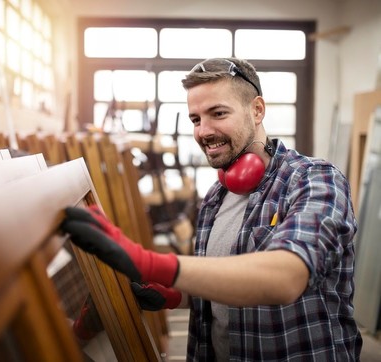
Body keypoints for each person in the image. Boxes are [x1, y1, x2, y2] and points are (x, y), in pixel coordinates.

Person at [61, 57, 363, 361]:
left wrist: (150, 263)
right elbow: (226, 289)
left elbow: (287, 277)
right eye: (195, 119)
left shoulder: (316, 180)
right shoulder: (216, 196)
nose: (203, 131)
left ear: (257, 110)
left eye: (217, 113)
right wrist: (177, 295)